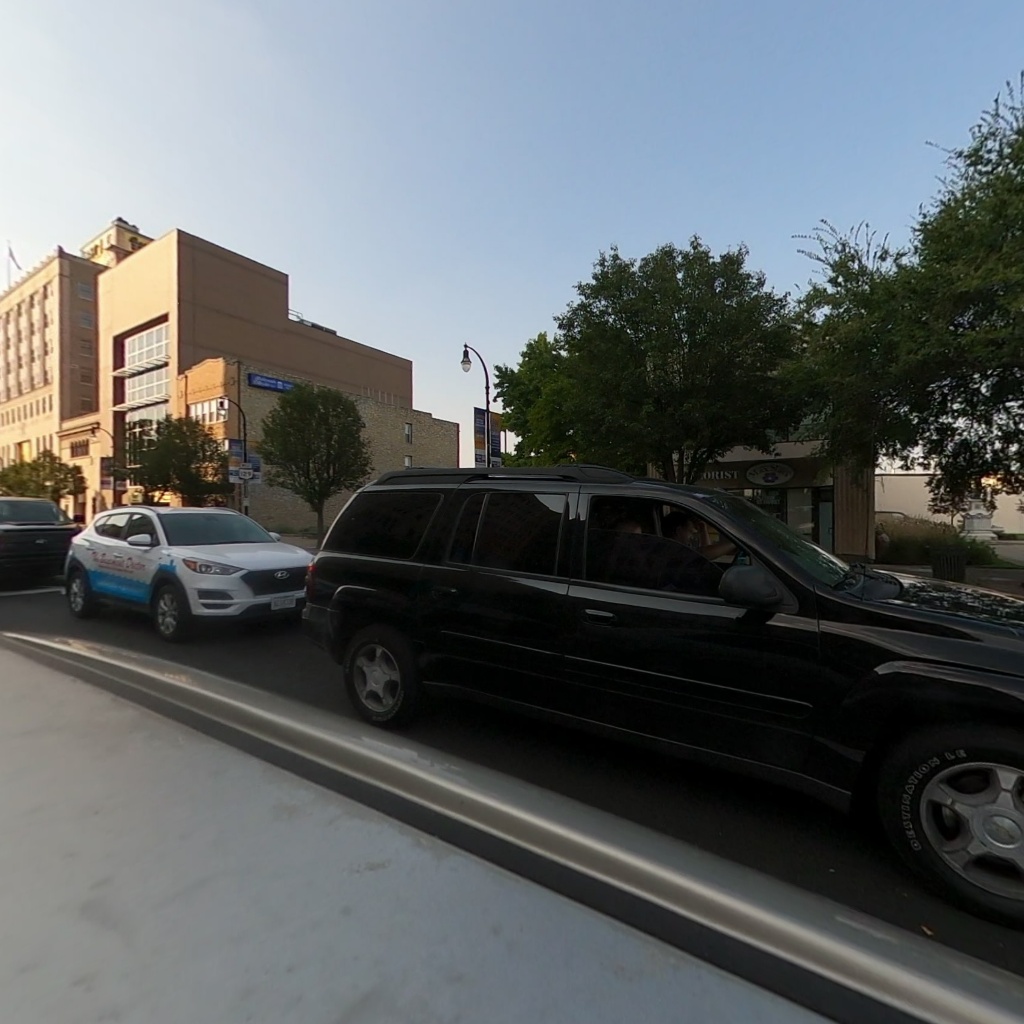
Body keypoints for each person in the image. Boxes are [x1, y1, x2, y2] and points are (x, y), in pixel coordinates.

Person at [662, 511, 737, 561]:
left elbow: (704, 557)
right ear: (678, 531)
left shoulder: (676, 547)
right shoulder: (671, 550)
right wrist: (734, 543)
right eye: (690, 532)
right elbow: (703, 554)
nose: (692, 536)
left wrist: (703, 529)